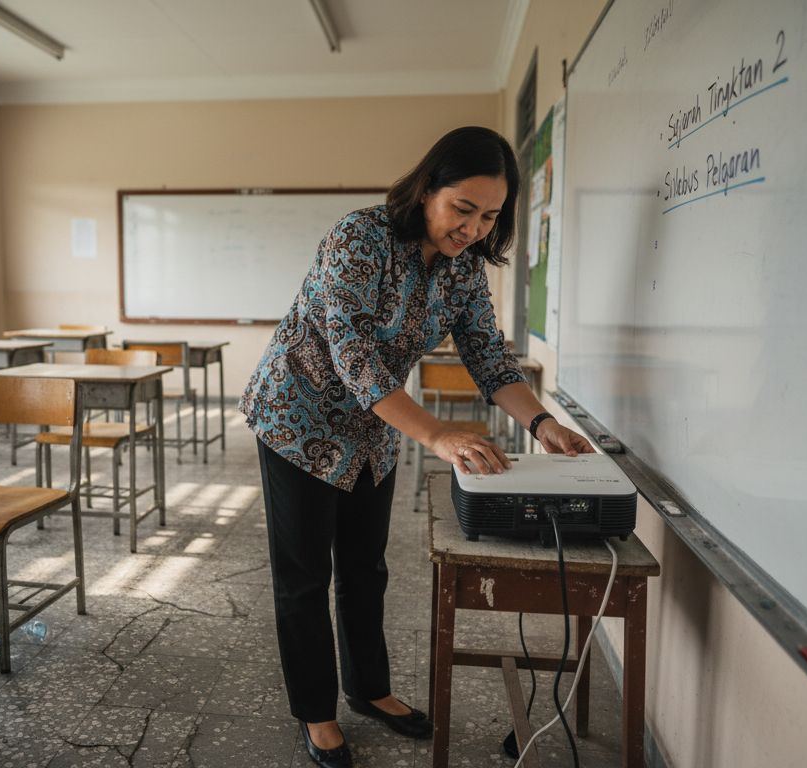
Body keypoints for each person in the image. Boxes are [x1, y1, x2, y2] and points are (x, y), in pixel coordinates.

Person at [239, 126, 595, 767]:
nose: (473, 229)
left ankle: (369, 689)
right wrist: (438, 434)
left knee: (365, 567)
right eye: (463, 209)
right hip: (298, 420)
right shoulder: (360, 237)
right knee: (303, 578)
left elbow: (489, 357)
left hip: (375, 428)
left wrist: (545, 425)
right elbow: (355, 357)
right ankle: (316, 713)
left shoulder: (463, 269)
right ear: (427, 187)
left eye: (489, 217)